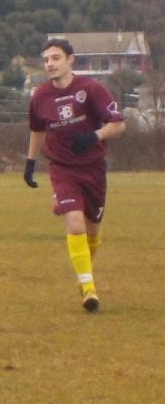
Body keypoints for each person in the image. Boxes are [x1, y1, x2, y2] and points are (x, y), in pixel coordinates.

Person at [24, 37, 125, 312]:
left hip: (93, 168)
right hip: (62, 168)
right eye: (46, 60)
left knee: (92, 230)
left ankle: (84, 276)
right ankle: (88, 289)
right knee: (75, 224)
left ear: (71, 60)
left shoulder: (91, 89)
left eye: (55, 58)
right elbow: (37, 130)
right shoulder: (40, 96)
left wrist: (95, 135)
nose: (50, 64)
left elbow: (118, 124)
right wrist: (30, 162)